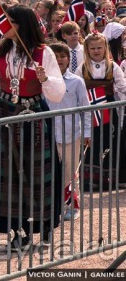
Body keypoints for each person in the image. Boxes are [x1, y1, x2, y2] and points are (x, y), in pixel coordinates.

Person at [0, 5, 65, 250]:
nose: (3, 25)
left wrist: (46, 79)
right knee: (7, 176)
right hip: (5, 114)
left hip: (34, 116)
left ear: (23, 25)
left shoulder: (44, 53)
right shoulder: (1, 51)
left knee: (37, 173)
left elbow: (57, 94)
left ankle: (43, 229)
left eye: (9, 21)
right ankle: (17, 230)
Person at [76, 32, 126, 187]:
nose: (96, 51)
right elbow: (78, 88)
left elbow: (122, 86)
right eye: (92, 48)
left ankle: (115, 178)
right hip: (90, 109)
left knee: (112, 141)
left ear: (105, 48)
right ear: (87, 50)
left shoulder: (113, 66)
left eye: (99, 48)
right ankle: (91, 180)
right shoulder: (82, 68)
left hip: (109, 109)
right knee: (92, 142)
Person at [49, 42, 91, 220]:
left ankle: (72, 205)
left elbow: (85, 107)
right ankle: (53, 205)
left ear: (68, 59)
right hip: (49, 134)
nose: (59, 60)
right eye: (55, 56)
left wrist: (87, 132)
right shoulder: (45, 82)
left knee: (70, 171)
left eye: (63, 56)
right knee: (51, 171)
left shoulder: (77, 82)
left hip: (71, 134)